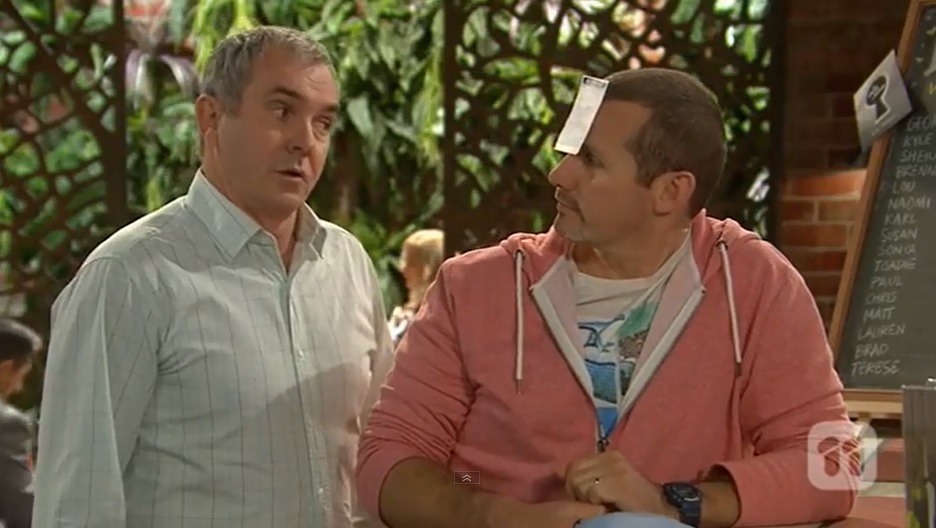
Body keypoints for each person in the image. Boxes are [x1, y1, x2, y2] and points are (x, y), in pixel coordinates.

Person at [355, 68, 858, 528]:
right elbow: (388, 458)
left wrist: (675, 503)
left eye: (590, 160)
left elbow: (831, 462)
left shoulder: (753, 283)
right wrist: (494, 514)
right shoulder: (475, 287)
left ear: (670, 192)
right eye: (568, 152)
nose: (558, 175)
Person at [33, 26, 393, 528]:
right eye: (282, 111)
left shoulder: (346, 263)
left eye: (323, 122)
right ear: (212, 117)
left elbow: (385, 452)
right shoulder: (128, 276)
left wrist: (476, 491)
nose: (304, 141)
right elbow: (77, 501)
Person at [0, 318, 39, 528]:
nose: (18, 388)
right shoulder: (7, 424)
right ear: (5, 368)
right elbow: (24, 511)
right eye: (21, 376)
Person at [388, 228, 444, 344]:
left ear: (426, 270)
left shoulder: (435, 321)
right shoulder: (405, 315)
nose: (402, 268)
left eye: (409, 261)